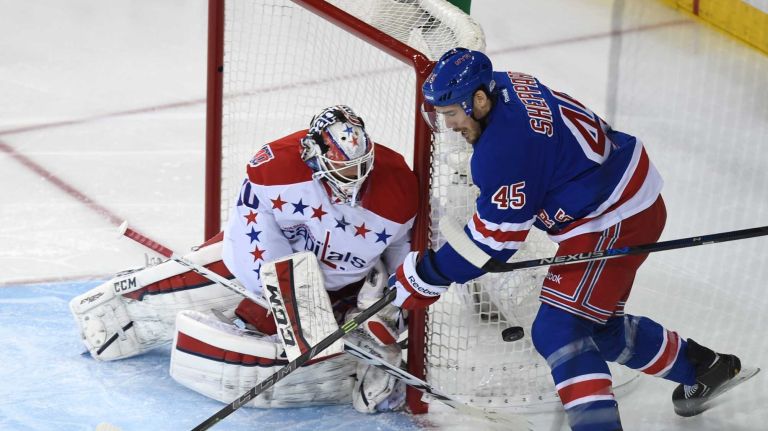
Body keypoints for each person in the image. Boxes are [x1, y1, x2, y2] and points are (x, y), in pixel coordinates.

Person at [388, 48, 748, 430]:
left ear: (478, 99)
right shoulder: (507, 84)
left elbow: (495, 242)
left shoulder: (504, 149)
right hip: (618, 196)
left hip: (612, 217)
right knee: (600, 330)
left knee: (558, 329)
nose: (449, 126)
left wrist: (428, 274)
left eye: (451, 114)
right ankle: (706, 368)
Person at [70, 105, 418, 413]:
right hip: (260, 271)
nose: (354, 180)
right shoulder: (274, 168)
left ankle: (356, 361)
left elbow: (403, 256)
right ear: (313, 156)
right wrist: (294, 310)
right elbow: (255, 244)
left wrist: (390, 304)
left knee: (247, 372)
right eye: (344, 170)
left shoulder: (399, 187)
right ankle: (121, 311)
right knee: (124, 312)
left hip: (340, 291)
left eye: (361, 167)